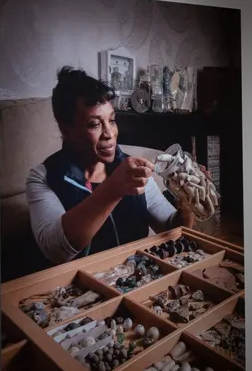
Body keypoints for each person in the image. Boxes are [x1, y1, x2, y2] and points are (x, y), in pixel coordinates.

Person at [27, 67, 199, 266]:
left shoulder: (131, 168)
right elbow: (56, 250)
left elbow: (173, 228)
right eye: (94, 124)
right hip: (78, 288)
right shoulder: (43, 177)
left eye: (112, 120)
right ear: (66, 129)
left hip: (136, 277)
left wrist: (188, 203)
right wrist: (114, 188)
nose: (110, 134)